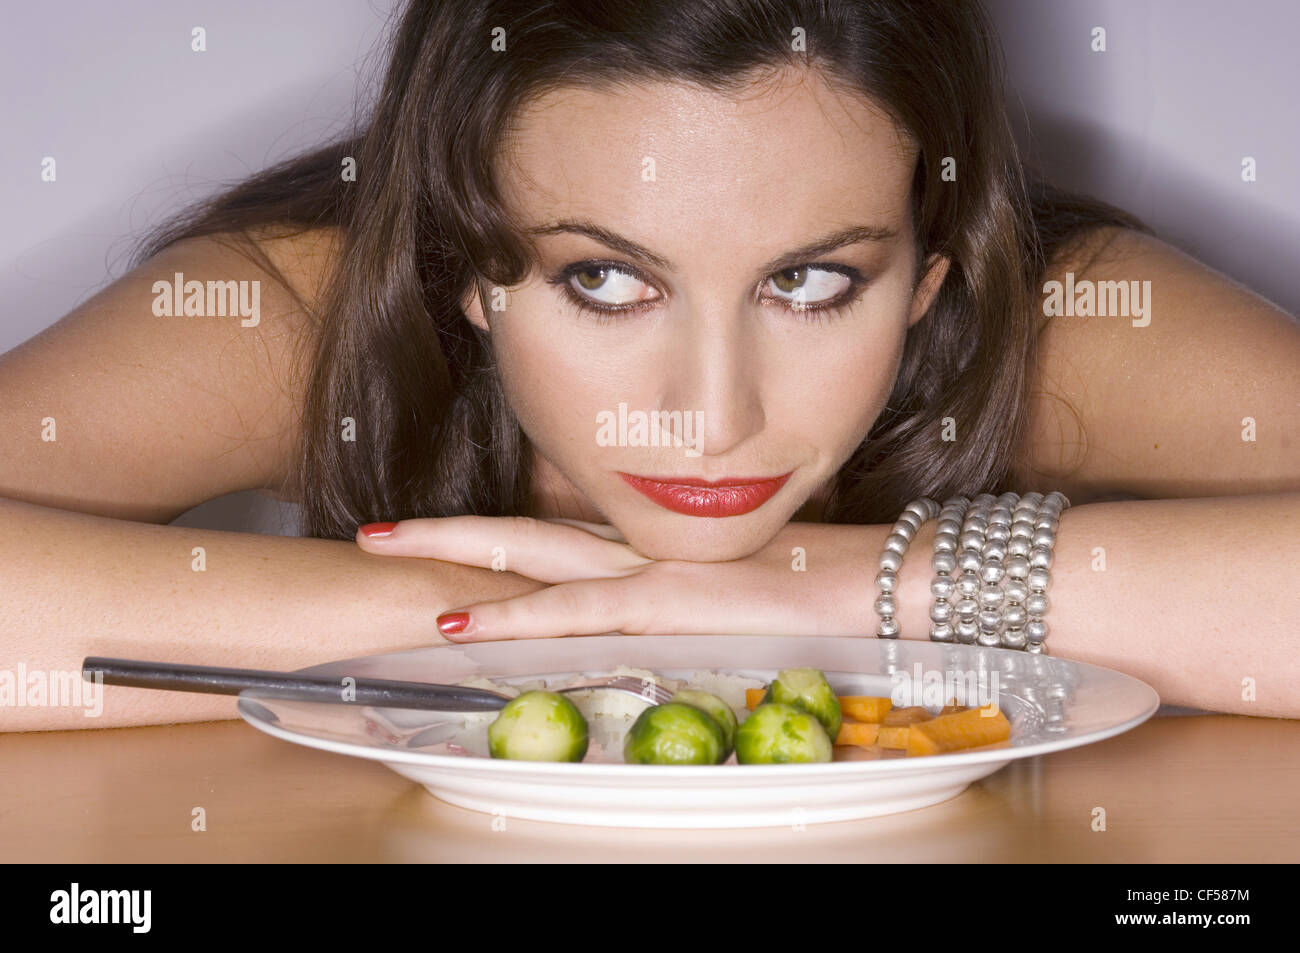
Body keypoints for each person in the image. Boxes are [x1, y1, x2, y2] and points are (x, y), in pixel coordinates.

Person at [2, 0, 1296, 731]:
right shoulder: (306, 303)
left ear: (926, 276)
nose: (710, 416)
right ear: (465, 263)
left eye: (811, 282)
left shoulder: (1049, 304)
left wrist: (843, 591)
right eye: (605, 280)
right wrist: (511, 631)